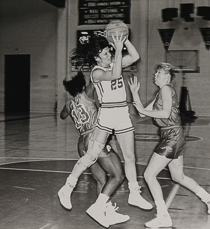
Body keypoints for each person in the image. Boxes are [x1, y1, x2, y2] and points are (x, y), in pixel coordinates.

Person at [58, 33, 152, 228]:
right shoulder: (97, 72)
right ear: (96, 57)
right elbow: (116, 74)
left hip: (122, 113)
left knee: (130, 156)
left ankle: (133, 193)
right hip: (108, 114)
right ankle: (68, 187)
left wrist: (124, 39)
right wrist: (118, 50)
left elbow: (134, 57)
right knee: (93, 156)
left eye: (109, 51)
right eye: (105, 52)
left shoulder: (113, 63)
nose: (109, 54)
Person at [128, 63, 210, 227]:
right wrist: (135, 94)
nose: (155, 75)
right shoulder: (159, 93)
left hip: (172, 135)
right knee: (178, 176)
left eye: (159, 73)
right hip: (173, 135)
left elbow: (164, 113)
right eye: (156, 72)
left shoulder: (166, 89)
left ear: (167, 77)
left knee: (149, 175)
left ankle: (163, 216)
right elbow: (141, 113)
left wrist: (141, 106)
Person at [59, 71, 129, 227]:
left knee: (101, 180)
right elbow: (96, 80)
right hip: (95, 138)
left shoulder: (68, 105)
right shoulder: (87, 94)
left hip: (82, 143)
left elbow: (62, 116)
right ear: (83, 86)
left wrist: (71, 107)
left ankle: (107, 211)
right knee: (118, 175)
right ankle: (98, 208)